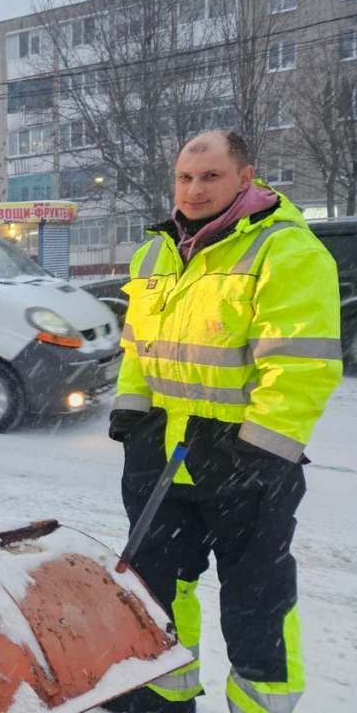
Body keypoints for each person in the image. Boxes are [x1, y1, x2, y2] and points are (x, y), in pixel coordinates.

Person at [104, 130, 342, 713]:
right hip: (165, 455)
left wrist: (260, 452)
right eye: (185, 177)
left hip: (248, 463)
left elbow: (301, 367)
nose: (194, 189)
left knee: (256, 608)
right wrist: (133, 419)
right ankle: (161, 701)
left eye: (210, 176)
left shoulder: (286, 251)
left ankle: (260, 706)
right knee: (155, 594)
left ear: (246, 176)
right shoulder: (155, 253)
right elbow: (137, 348)